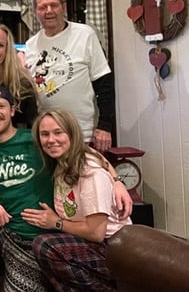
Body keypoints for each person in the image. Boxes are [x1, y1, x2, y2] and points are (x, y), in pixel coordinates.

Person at [0, 84, 133, 292]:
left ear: (12, 109)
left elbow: (82, 151)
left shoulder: (38, 139)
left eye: (1, 106)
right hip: (4, 230)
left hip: (43, 238)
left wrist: (116, 181)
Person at [23, 109, 132, 291]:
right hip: (85, 240)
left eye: (58, 132)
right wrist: (116, 179)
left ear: (72, 134)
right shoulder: (65, 159)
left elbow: (96, 232)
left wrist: (56, 223)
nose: (51, 140)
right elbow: (99, 157)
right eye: (45, 134)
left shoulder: (90, 173)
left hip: (112, 246)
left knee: (44, 245)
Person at [24, 0, 116, 151]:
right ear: (35, 12)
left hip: (82, 133)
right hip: (47, 136)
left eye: (54, 5)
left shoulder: (85, 34)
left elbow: (104, 83)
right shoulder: (31, 45)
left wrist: (105, 126)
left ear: (63, 7)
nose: (49, 11)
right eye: (42, 7)